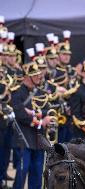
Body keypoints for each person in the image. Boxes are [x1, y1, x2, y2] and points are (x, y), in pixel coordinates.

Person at [12, 54, 51, 189]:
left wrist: (35, 113)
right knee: (22, 173)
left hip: (38, 140)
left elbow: (47, 109)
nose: (38, 78)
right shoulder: (17, 92)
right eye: (34, 76)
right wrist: (39, 120)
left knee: (37, 173)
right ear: (27, 77)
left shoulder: (40, 92)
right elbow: (20, 114)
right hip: (24, 139)